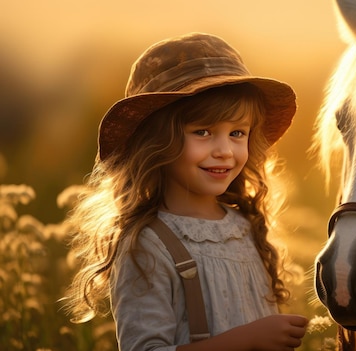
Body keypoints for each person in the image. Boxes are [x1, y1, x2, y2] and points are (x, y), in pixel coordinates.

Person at [63, 32, 308, 350]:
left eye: (237, 133)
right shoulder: (147, 246)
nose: (224, 150)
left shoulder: (247, 229)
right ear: (157, 142)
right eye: (202, 132)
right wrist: (249, 339)